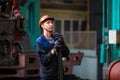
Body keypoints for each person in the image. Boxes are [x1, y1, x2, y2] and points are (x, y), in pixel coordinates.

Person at [35, 15, 70, 80]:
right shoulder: (39, 41)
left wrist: (63, 44)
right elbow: (43, 61)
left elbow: (66, 53)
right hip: (47, 76)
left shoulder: (56, 38)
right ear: (42, 26)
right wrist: (54, 49)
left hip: (59, 75)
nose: (51, 24)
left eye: (51, 22)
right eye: (48, 22)